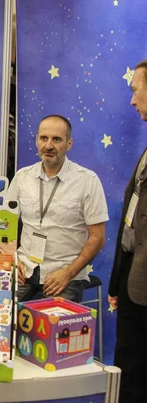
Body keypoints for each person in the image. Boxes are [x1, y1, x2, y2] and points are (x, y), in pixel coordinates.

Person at [6, 115, 108, 303]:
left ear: (69, 144)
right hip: (24, 269)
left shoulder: (87, 181)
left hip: (63, 275)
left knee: (53, 329)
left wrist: (68, 273)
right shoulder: (22, 177)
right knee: (2, 319)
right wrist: (13, 259)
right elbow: (5, 225)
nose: (49, 145)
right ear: (37, 140)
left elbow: (97, 238)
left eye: (57, 139)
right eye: (44, 138)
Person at [110, 59, 147, 403]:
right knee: (129, 369)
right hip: (133, 281)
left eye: (136, 90)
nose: (133, 101)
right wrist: (119, 278)